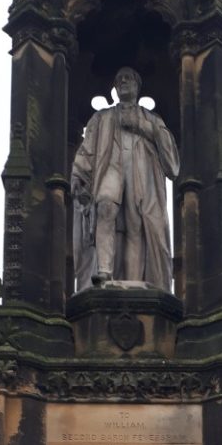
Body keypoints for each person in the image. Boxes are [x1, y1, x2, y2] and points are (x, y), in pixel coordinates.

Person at [71, 67, 180, 291]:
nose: (123, 82)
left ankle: (132, 282)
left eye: (128, 78)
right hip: (110, 167)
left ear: (138, 86)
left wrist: (141, 126)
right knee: (105, 207)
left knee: (136, 224)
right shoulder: (102, 117)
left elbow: (171, 160)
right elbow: (87, 148)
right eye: (118, 79)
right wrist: (77, 173)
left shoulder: (151, 118)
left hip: (141, 171)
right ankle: (104, 271)